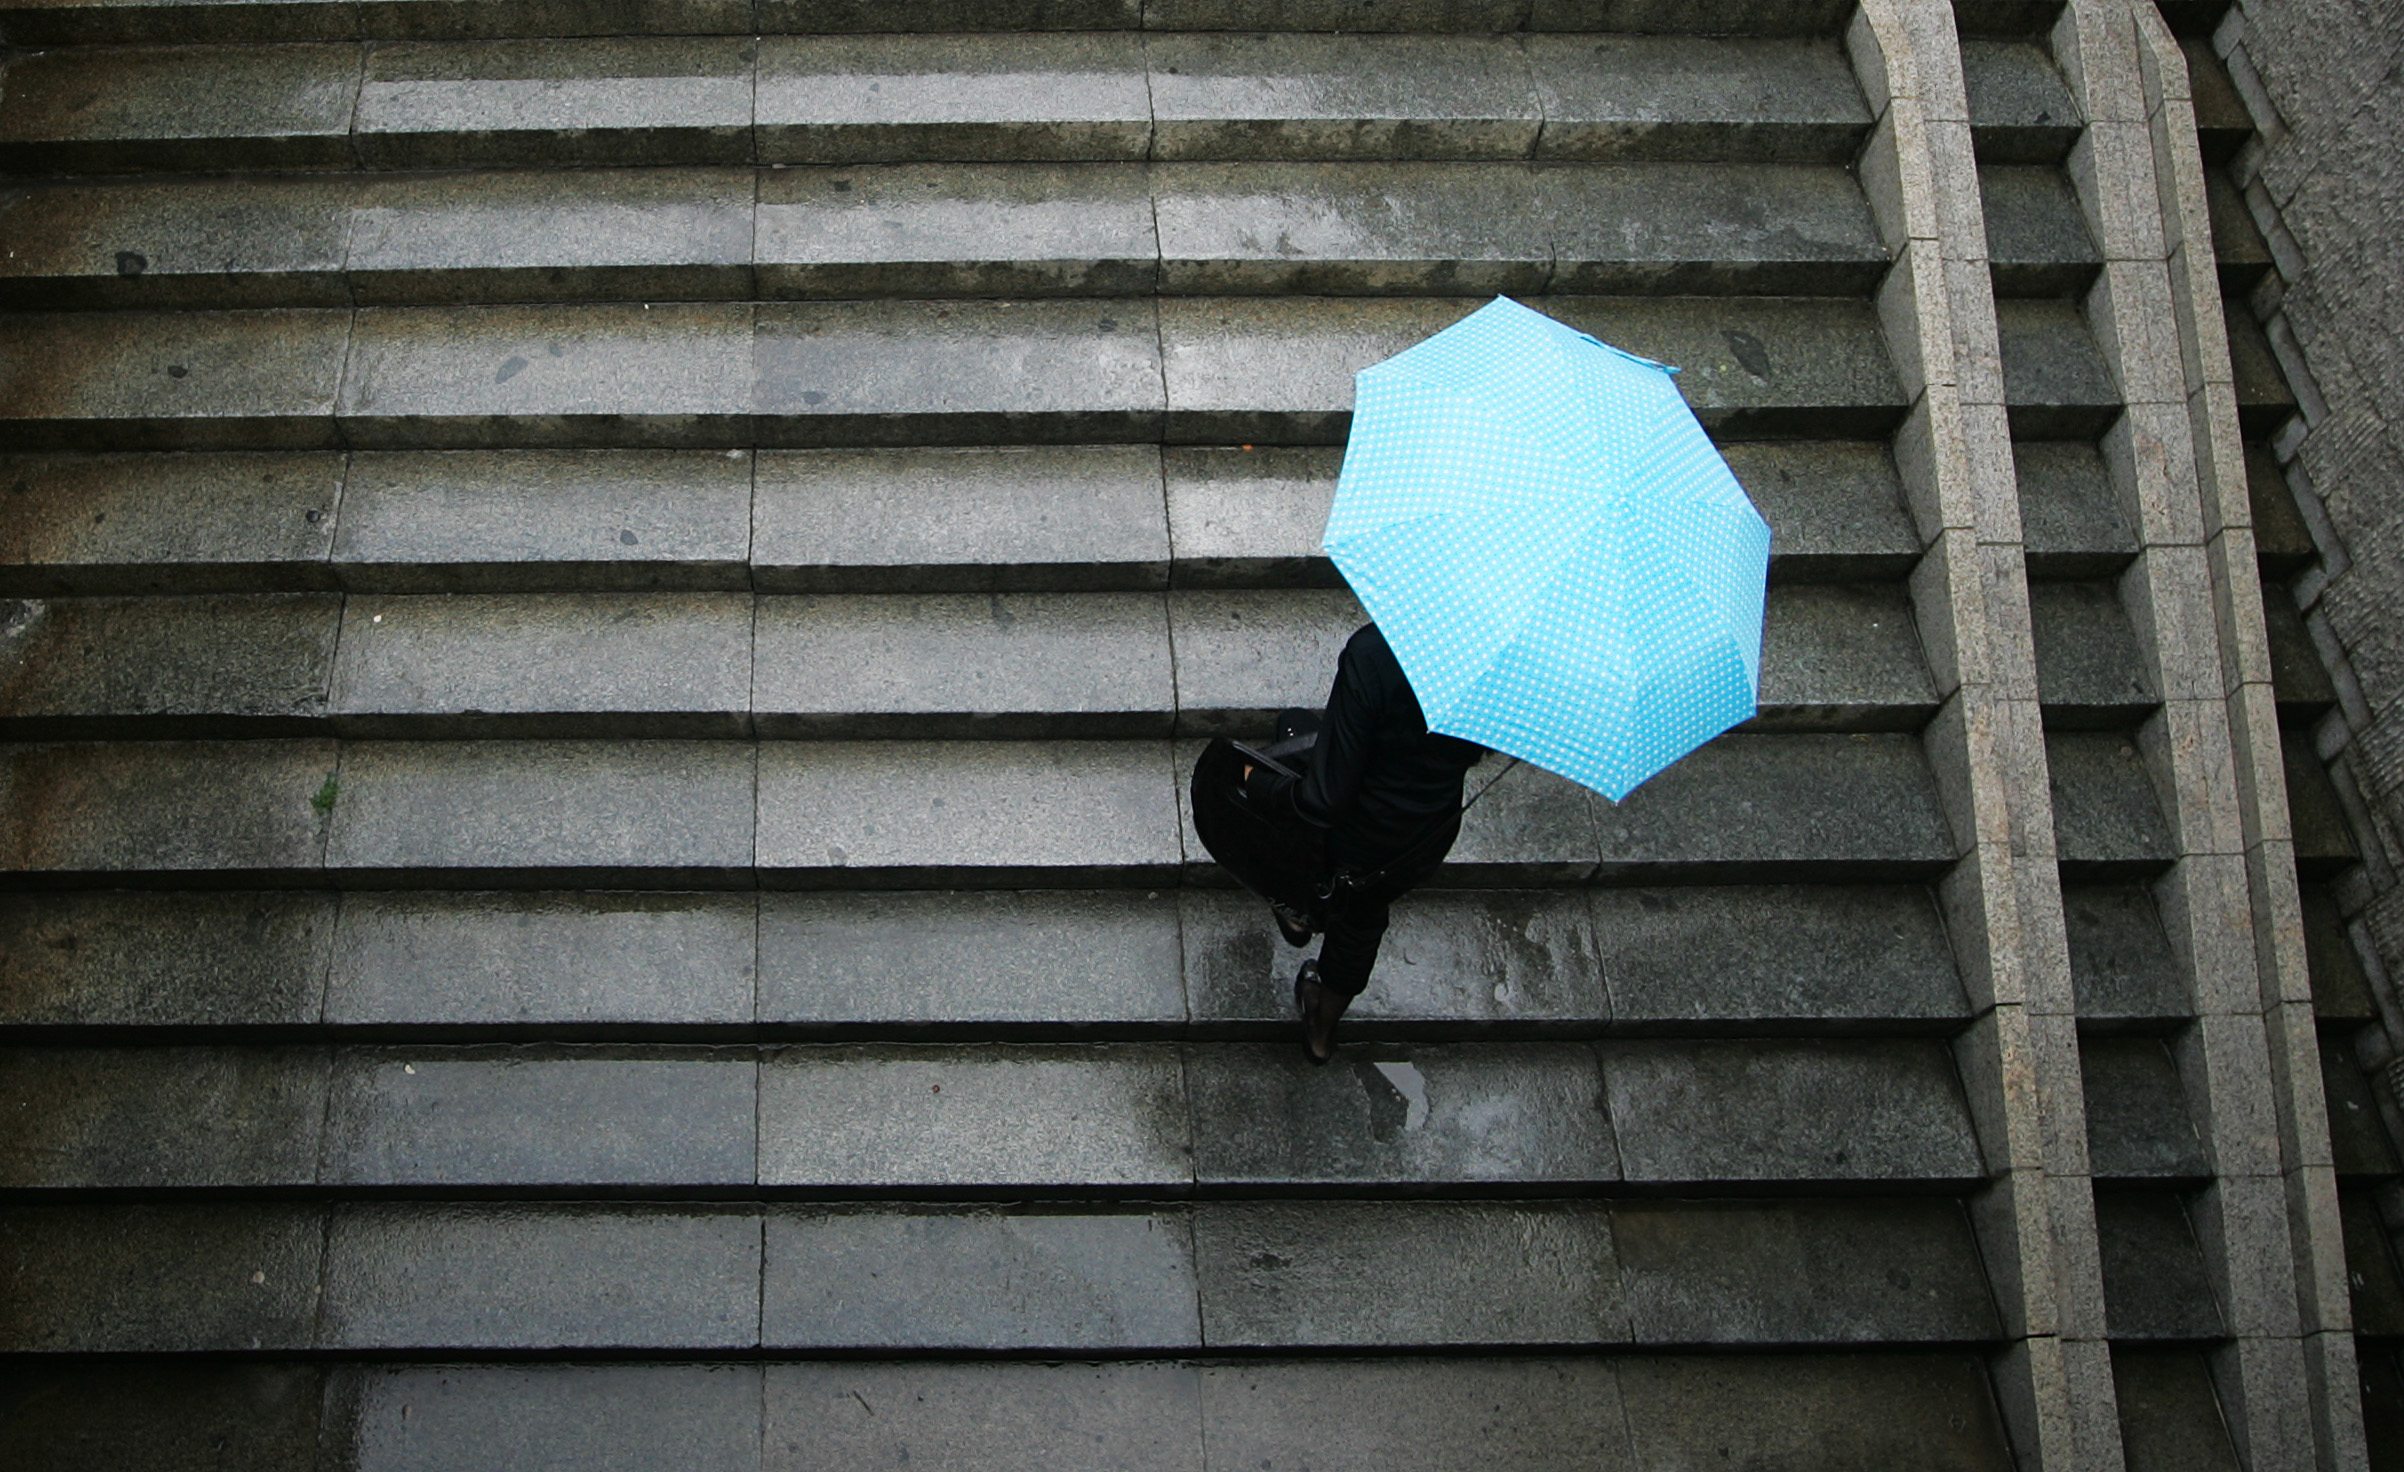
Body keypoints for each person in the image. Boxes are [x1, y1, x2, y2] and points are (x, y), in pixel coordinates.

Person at [1191, 622, 1487, 1063]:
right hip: (1421, 837)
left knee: (1293, 730)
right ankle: (1321, 1030)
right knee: (1364, 918)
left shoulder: (1377, 653)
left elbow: (1323, 799)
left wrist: (1257, 786)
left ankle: (1294, 910)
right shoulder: (1504, 679)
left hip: (1353, 827)